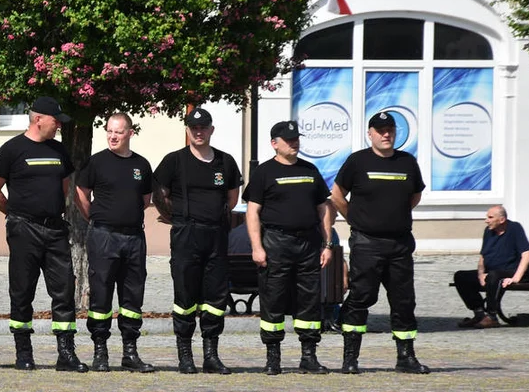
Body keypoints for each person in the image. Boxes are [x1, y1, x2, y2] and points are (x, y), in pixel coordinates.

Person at [0, 96, 86, 372]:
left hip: (55, 228)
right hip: (24, 228)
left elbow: (65, 187)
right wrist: (15, 214)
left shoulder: (59, 150)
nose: (58, 127)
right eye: (56, 121)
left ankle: (66, 353)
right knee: (22, 291)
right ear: (38, 119)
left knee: (64, 290)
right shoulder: (12, 150)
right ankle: (24, 352)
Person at [331, 111, 429, 374]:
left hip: (399, 243)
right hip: (367, 242)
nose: (386, 134)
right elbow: (337, 194)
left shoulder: (407, 162)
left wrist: (393, 217)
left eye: (390, 130)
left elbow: (415, 196)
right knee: (363, 296)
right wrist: (356, 218)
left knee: (404, 300)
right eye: (381, 130)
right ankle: (350, 358)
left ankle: (406, 357)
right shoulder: (357, 161)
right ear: (370, 133)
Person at [152, 107, 242, 374]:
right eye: (193, 127)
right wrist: (177, 218)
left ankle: (211, 355)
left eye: (203, 128)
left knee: (215, 298)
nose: (198, 132)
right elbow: (159, 195)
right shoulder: (174, 161)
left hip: (215, 234)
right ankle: (185, 355)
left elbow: (232, 198)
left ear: (211, 130)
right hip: (186, 235)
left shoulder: (225, 162)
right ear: (188, 130)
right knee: (185, 296)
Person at [243, 121, 334, 375]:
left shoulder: (310, 169)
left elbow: (323, 208)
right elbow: (253, 211)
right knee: (273, 299)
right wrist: (257, 247)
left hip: (308, 243)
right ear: (275, 143)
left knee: (309, 300)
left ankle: (309, 356)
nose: (294, 143)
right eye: (289, 140)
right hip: (276, 242)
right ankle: (273, 357)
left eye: (296, 139)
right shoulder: (264, 172)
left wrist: (327, 245)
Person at [73, 113, 155, 373]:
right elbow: (81, 196)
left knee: (132, 296)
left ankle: (130, 353)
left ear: (130, 133)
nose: (113, 136)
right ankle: (100, 351)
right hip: (103, 237)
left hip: (133, 238)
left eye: (118, 131)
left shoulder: (141, 165)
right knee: (101, 294)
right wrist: (98, 219)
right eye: (109, 130)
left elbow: (145, 200)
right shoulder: (96, 162)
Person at [454, 205, 529, 328]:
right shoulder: (488, 231)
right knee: (461, 276)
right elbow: (483, 256)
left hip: (511, 271)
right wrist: (481, 274)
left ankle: (492, 316)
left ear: (501, 220)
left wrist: (516, 278)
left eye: (490, 217)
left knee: (494, 276)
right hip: (492, 273)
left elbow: (526, 255)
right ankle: (479, 313)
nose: (486, 220)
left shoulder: (514, 228)